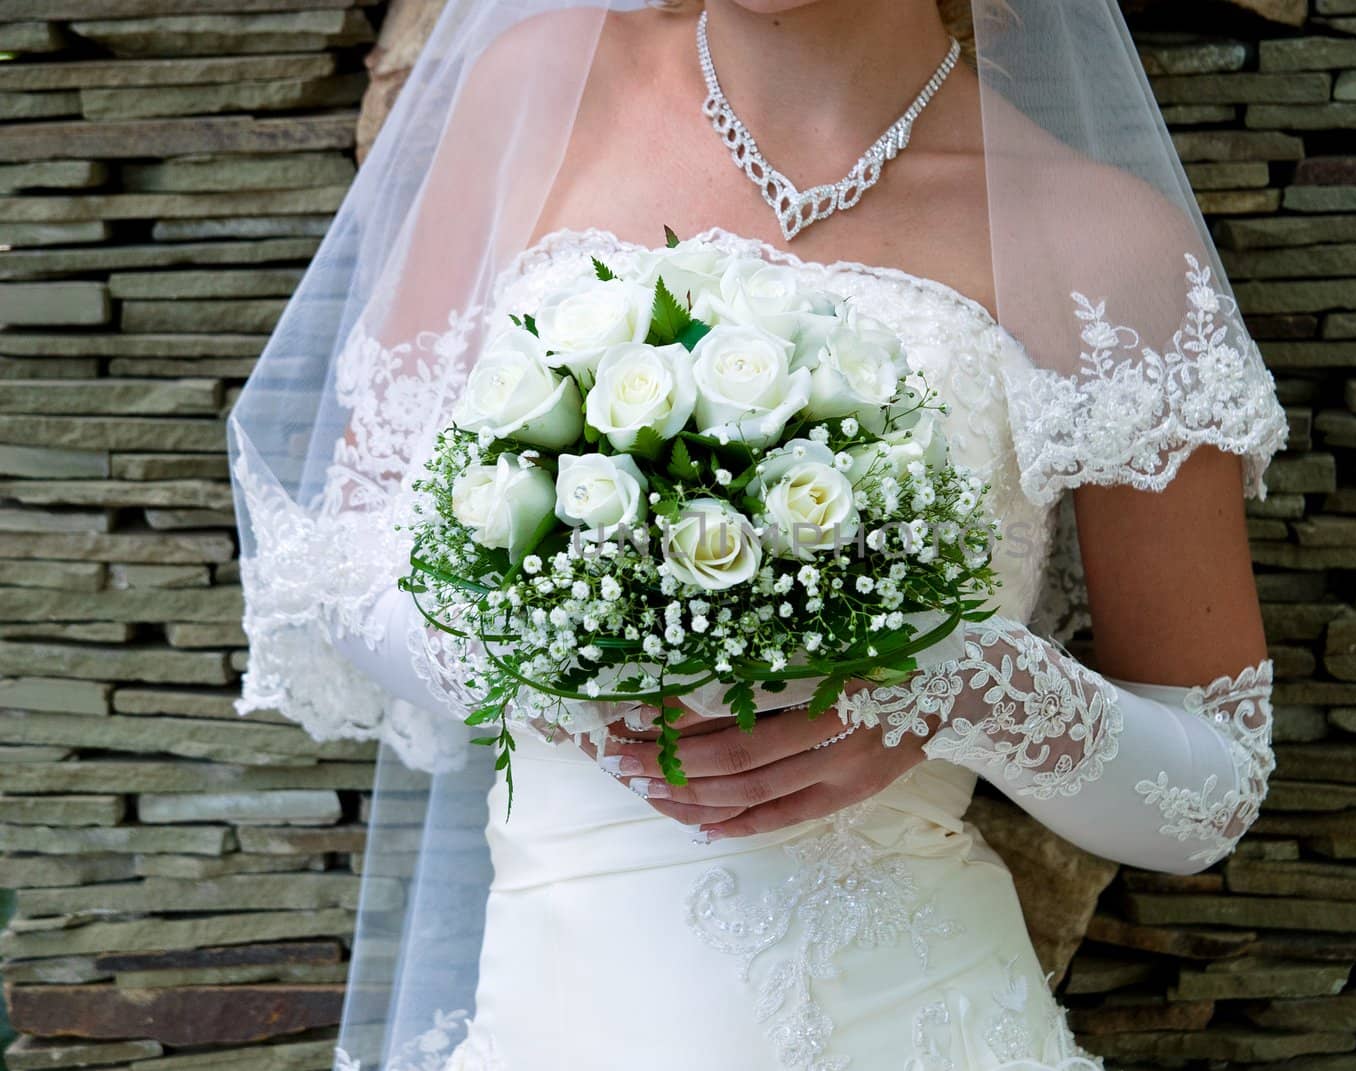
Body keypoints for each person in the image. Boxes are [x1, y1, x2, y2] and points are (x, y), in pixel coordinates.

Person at [227, 1, 1293, 1068]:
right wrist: (559, 650)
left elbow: (1208, 792)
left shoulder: (1102, 244)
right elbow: (340, 565)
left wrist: (955, 686)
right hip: (557, 1014)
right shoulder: (538, 87)